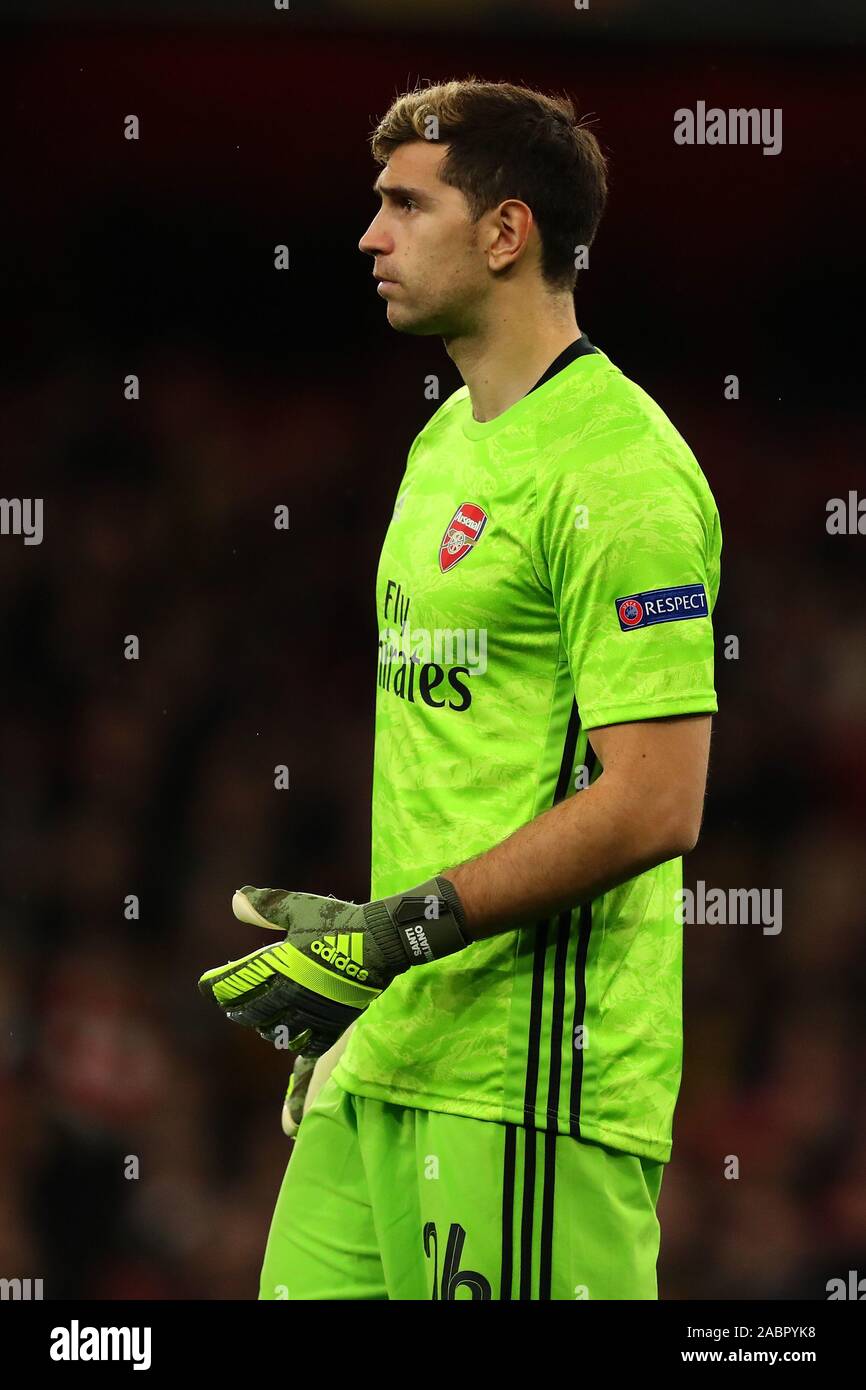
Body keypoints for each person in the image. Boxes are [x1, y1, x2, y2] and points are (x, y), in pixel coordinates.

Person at [199, 76, 722, 1300]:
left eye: (403, 203)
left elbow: (656, 801)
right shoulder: (443, 441)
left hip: (524, 1082)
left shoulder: (623, 473)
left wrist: (404, 931)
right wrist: (373, 968)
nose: (369, 236)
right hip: (382, 1057)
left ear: (505, 233)